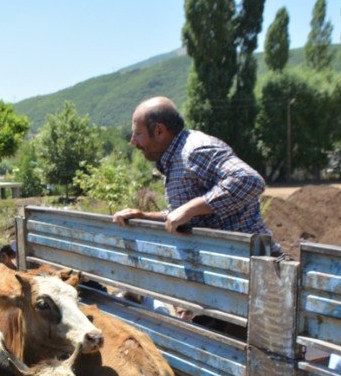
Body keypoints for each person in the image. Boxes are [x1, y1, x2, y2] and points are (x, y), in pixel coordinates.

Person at [112, 96, 281, 256]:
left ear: (158, 131)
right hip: (227, 265)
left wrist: (190, 208)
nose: (133, 142)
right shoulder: (174, 159)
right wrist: (143, 216)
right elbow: (181, 215)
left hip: (257, 264)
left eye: (138, 134)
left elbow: (249, 180)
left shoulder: (194, 150)